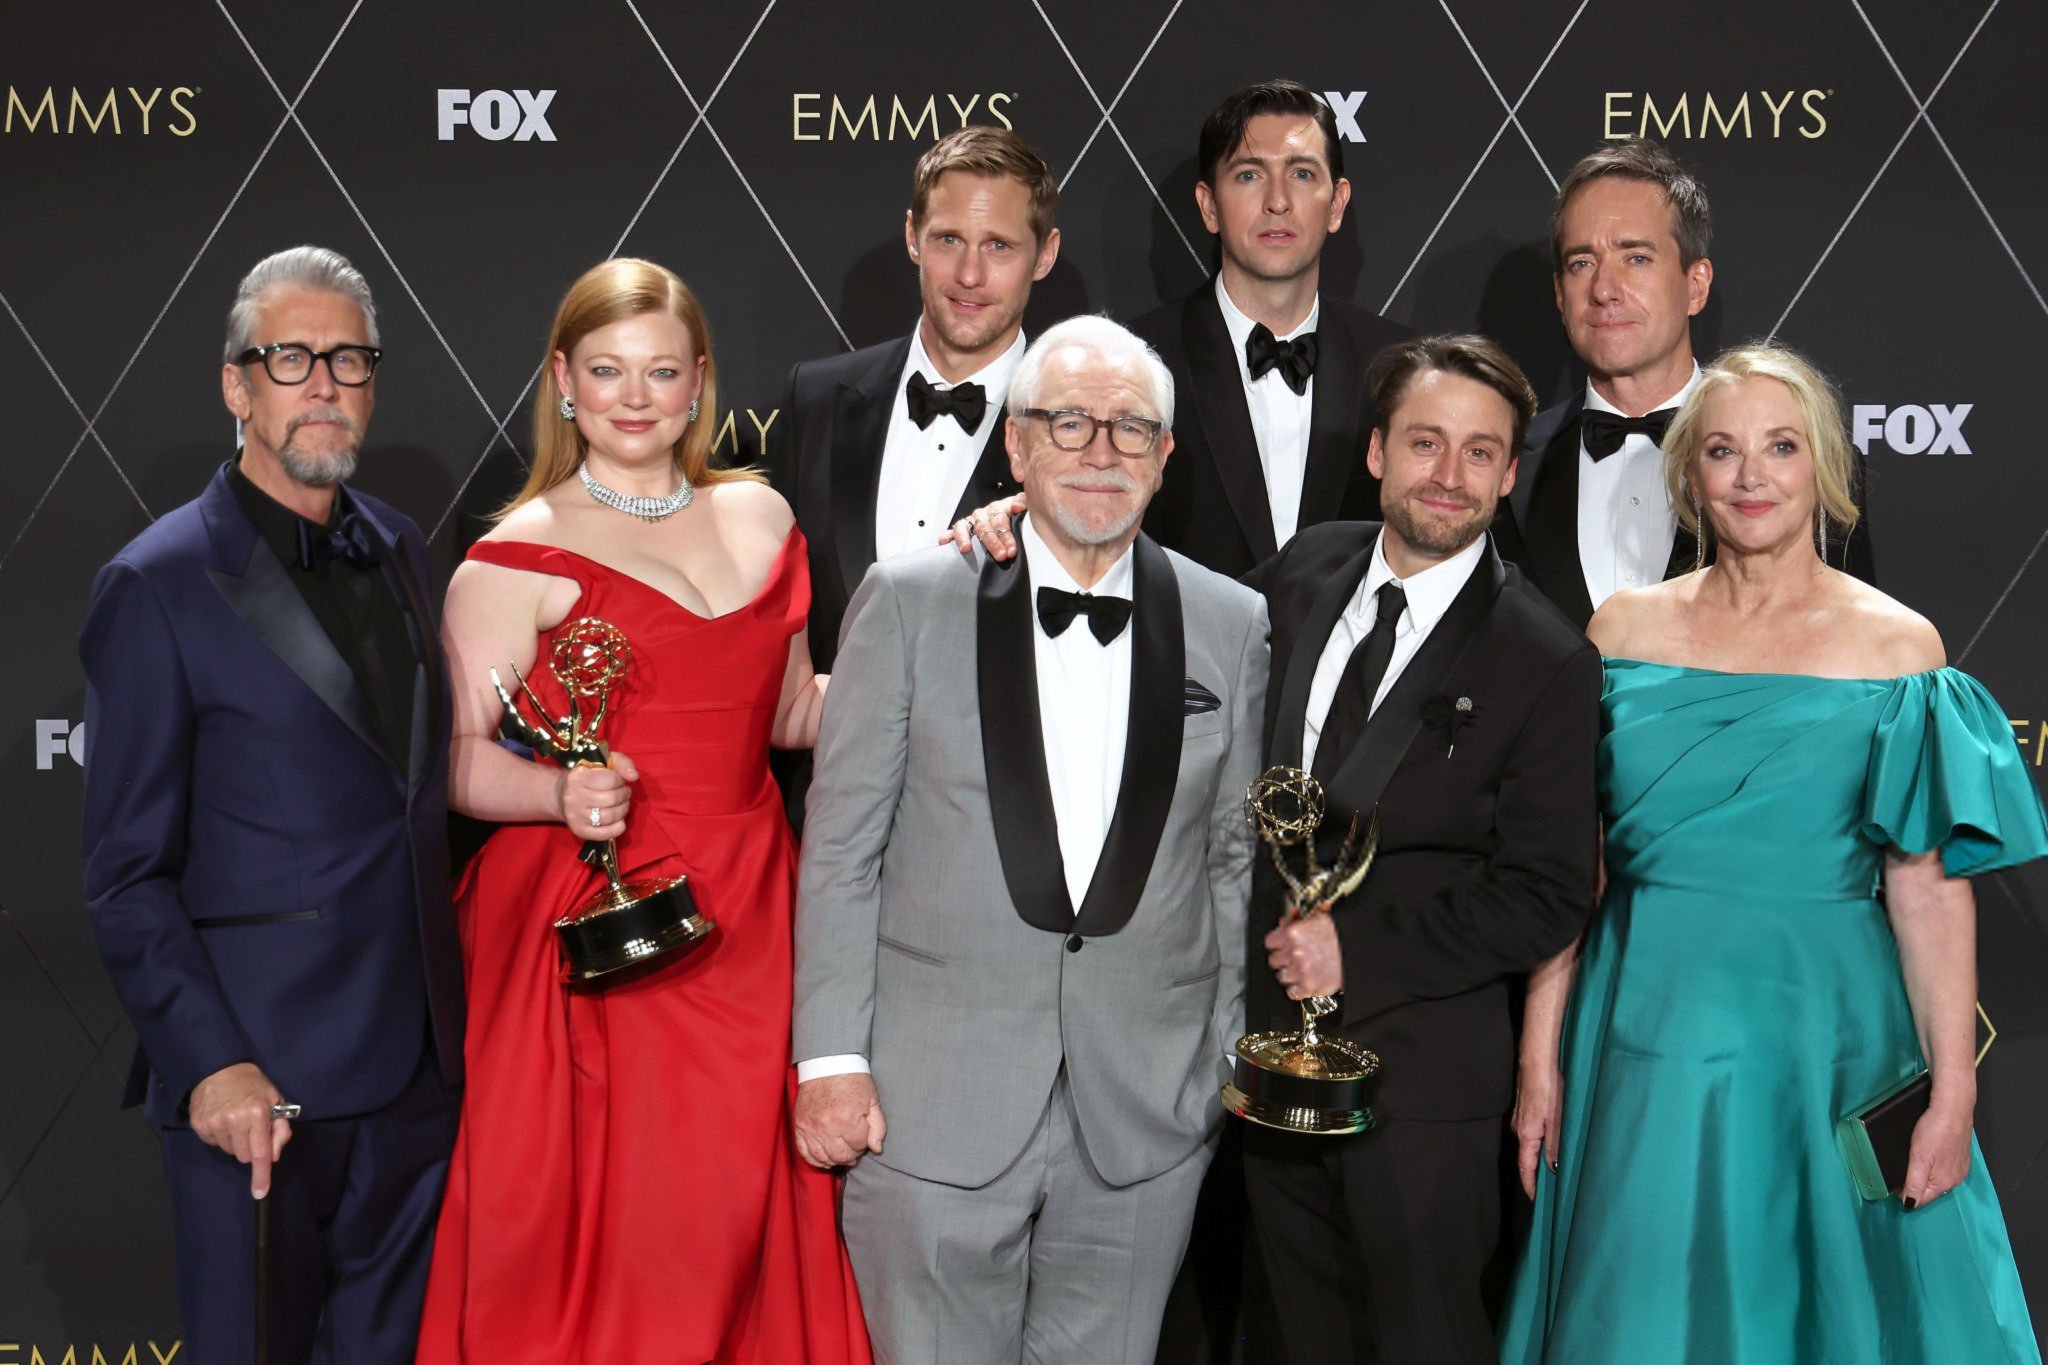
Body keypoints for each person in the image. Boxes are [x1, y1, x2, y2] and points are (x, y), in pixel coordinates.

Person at [1499, 342, 2043, 1364]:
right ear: (1688, 474)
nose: (1751, 476)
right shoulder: (1621, 632)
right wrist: (1539, 1059)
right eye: (1722, 451)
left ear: (1825, 468)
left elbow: (1926, 892)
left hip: (1829, 1043)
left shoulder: (1899, 649)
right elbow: (1578, 871)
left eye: (1781, 448)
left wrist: (1952, 1091)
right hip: (1642, 1038)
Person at [413, 258, 868, 1364]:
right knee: (634, 1229)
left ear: (699, 381)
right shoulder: (509, 555)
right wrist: (555, 791)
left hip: (753, 912)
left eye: (661, 371)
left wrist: (948, 643)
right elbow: (453, 762)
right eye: (607, 370)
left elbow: (790, 710)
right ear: (563, 382)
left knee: (737, 1220)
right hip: (600, 929)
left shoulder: (761, 513)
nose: (634, 396)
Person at [791, 314, 1267, 1365]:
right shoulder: (907, 600)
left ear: (1164, 455)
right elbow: (841, 852)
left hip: (1146, 1113)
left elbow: (1232, 861)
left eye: (1129, 428)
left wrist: (1222, 1062)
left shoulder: (1233, 622)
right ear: (1015, 443)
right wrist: (829, 1060)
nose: (1100, 452)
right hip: (926, 1101)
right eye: (1067, 423)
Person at [80, 245, 465, 1363]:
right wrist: (210, 1063)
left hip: (416, 1075)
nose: (324, 384)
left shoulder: (399, 543)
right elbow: (124, 873)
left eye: (349, 359)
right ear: (236, 386)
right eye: (290, 359)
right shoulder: (155, 583)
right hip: (259, 1086)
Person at [1492, 139, 1875, 629]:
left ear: (1696, 285)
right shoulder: (1502, 462)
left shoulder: (1811, 465)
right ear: (1560, 296)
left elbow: (1852, 644)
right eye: (1581, 263)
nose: (1604, 290)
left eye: (1636, 258)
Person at [772, 125, 1061, 675]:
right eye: (948, 240)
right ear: (913, 237)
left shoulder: (1077, 426)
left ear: (1044, 255)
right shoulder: (814, 396)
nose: (970, 275)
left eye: (998, 246)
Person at [1131, 78, 1409, 580]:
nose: (1277, 201)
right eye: (1249, 175)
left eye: (1302, 174)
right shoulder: (1133, 362)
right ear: (1209, 206)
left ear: (1337, 204)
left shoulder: (1402, 369)